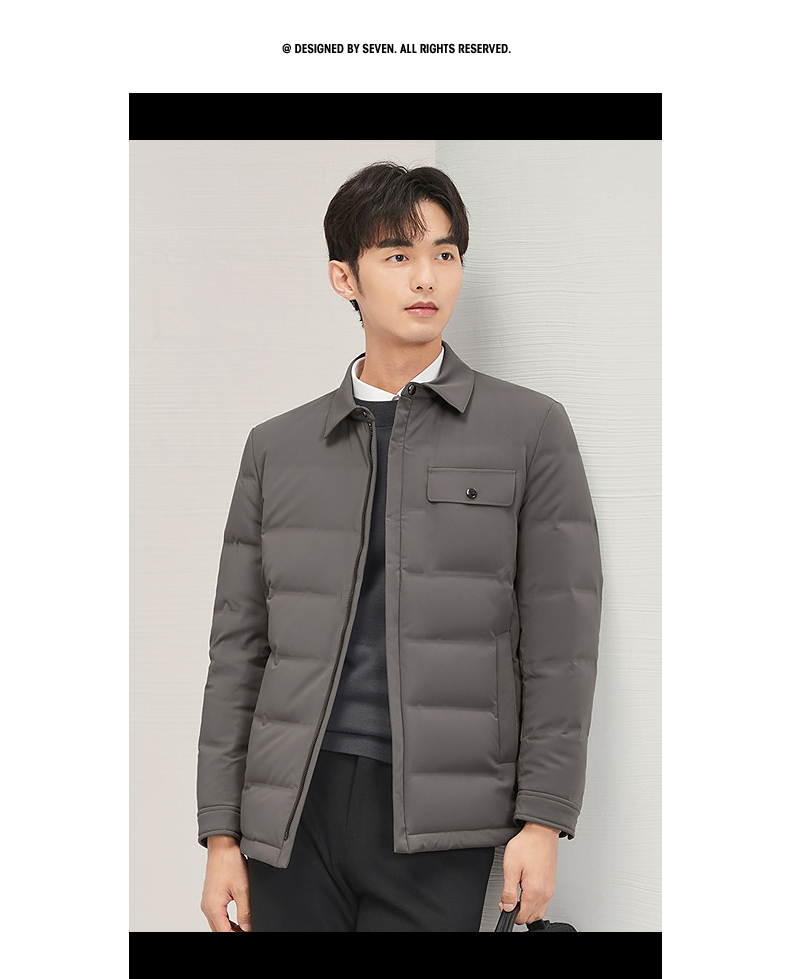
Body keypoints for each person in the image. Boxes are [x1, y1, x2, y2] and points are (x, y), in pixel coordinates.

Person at [197, 161, 604, 932]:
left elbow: (562, 644)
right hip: (291, 815)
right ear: (344, 278)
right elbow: (238, 651)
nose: (426, 277)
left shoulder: (530, 430)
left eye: (445, 254)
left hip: (440, 824)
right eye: (397, 254)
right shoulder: (276, 448)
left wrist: (544, 819)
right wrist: (222, 833)